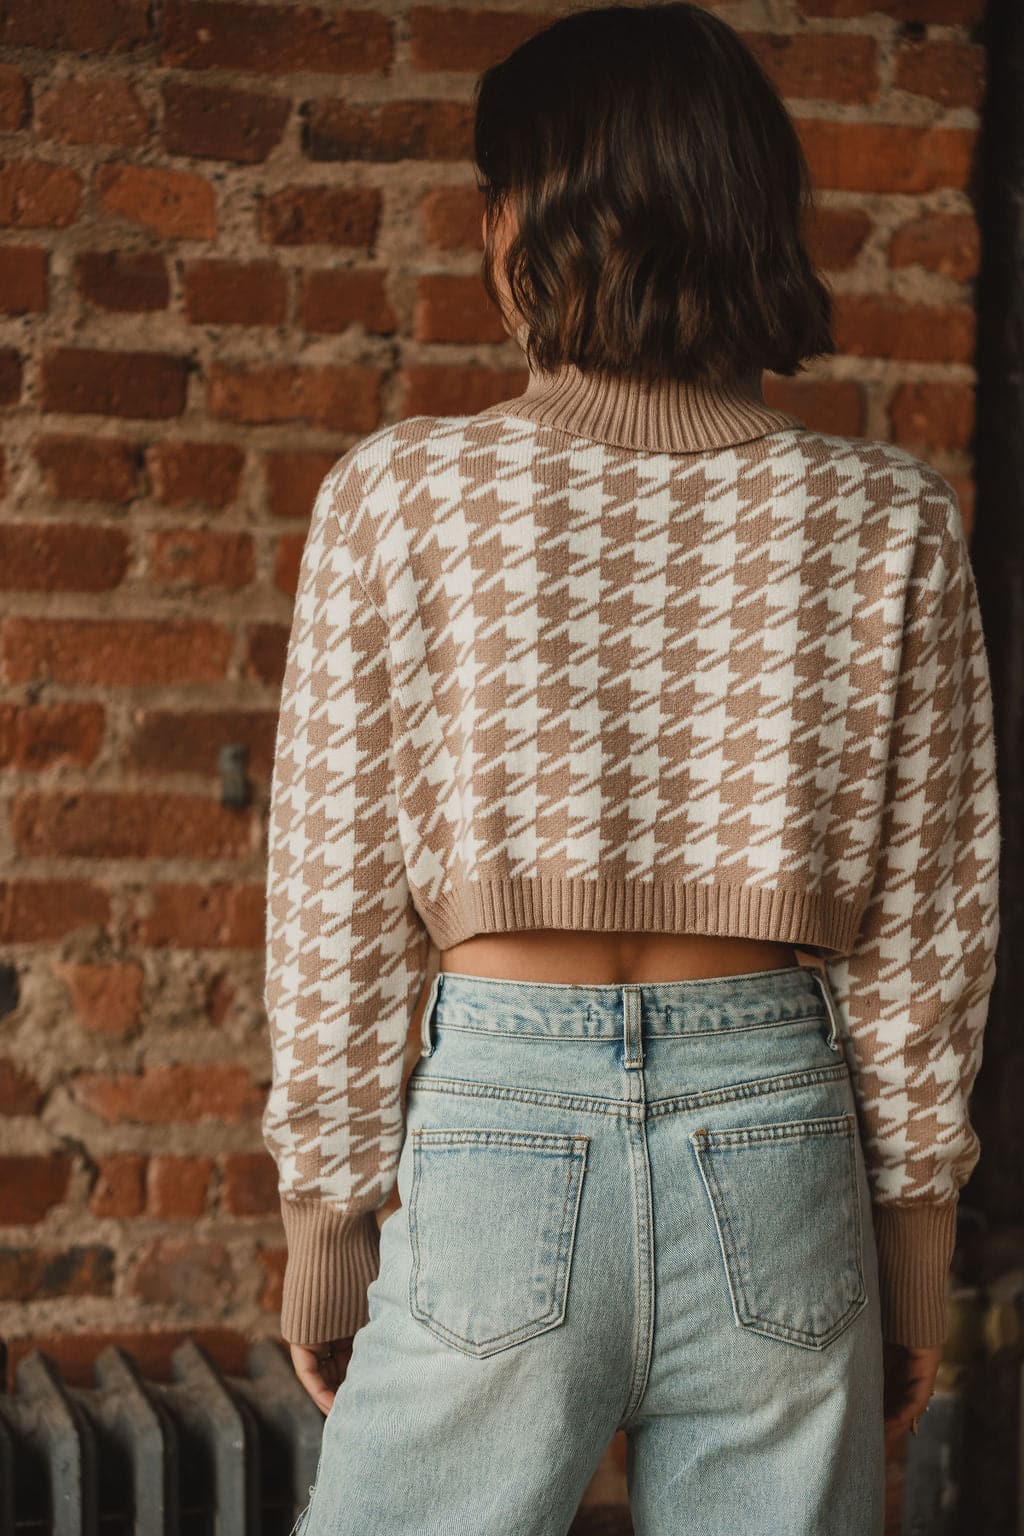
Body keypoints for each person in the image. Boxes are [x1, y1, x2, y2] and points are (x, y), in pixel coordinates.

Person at [261, 4, 1000, 1532]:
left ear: (533, 218)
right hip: (783, 1134)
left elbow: (334, 904)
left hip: (498, 1132)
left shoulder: (399, 499)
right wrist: (910, 1247)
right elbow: (931, 928)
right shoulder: (886, 515)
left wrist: (330, 1223)